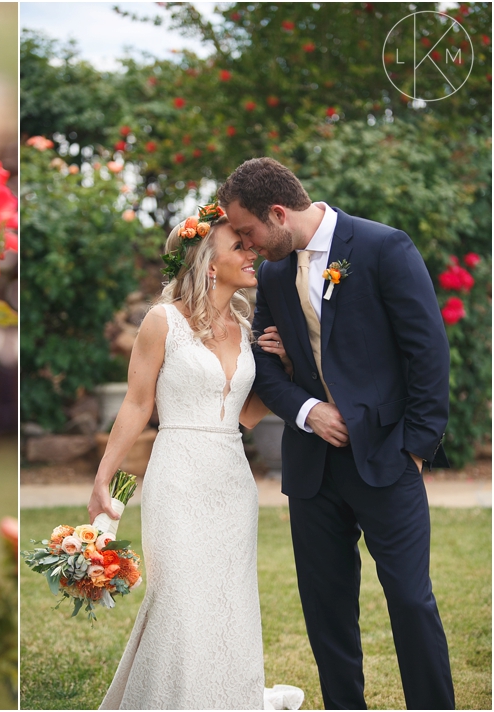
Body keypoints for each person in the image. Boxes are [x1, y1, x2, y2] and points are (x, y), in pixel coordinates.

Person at [218, 157, 454, 710]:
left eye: (249, 232)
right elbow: (265, 366)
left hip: (388, 458)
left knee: (410, 600)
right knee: (326, 611)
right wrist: (307, 411)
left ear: (278, 213)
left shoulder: (383, 247)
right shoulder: (274, 274)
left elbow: (428, 353)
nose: (247, 247)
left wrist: (415, 447)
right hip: (311, 468)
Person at [89, 201, 300, 710]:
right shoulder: (163, 321)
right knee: (179, 601)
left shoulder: (249, 332)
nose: (252, 251)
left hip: (231, 479)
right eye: (240, 246)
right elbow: (138, 404)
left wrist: (286, 366)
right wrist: (104, 478)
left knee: (229, 601)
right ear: (208, 261)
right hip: (177, 476)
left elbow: (244, 416)